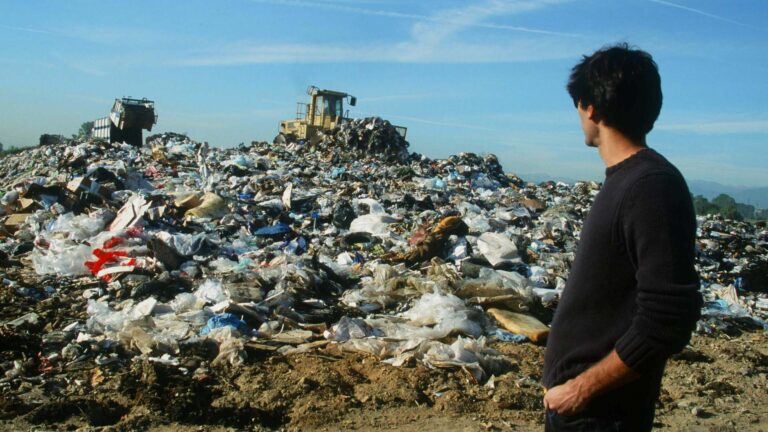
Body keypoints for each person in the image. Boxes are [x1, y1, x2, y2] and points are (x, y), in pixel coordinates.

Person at [542, 43, 702, 431]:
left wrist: (581, 389)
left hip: (602, 415)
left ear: (590, 107)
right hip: (583, 412)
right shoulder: (629, 181)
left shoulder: (650, 187)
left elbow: (668, 317)